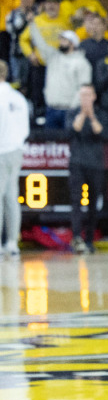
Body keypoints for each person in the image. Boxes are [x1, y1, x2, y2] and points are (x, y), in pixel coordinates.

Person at [66, 84, 108, 254]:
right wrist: (83, 114)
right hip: (77, 163)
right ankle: (77, 237)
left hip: (95, 164)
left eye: (88, 95)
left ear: (94, 96)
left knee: (93, 204)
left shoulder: (101, 114)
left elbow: (101, 133)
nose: (85, 98)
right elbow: (71, 130)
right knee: (76, 202)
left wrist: (91, 116)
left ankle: (89, 239)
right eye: (82, 95)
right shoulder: (72, 113)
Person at [28, 24, 92, 130]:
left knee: (69, 143)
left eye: (64, 40)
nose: (60, 42)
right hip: (51, 109)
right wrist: (32, 25)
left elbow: (84, 88)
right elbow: (40, 44)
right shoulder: (53, 58)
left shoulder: (82, 62)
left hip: (70, 111)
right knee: (50, 143)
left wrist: (73, 107)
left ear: (72, 43)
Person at [0, 59, 28, 257]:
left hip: (1, 150)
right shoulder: (18, 98)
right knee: (11, 196)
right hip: (16, 150)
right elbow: (25, 128)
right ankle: (12, 243)